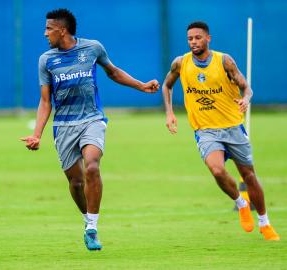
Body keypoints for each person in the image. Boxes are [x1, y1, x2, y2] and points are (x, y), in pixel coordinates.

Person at [21, 8, 160, 250]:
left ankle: (92, 228)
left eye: (48, 29)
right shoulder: (46, 60)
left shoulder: (92, 48)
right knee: (76, 183)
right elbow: (45, 102)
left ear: (62, 30)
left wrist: (141, 86)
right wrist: (36, 134)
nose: (45, 34)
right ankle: (87, 219)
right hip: (63, 126)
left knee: (92, 167)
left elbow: (113, 72)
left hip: (92, 119)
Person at [162, 21, 279, 240]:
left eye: (198, 37)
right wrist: (169, 113)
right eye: (190, 38)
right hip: (206, 130)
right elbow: (167, 85)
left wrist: (245, 99)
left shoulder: (224, 61)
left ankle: (265, 222)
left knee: (249, 176)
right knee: (216, 169)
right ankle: (241, 203)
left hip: (233, 127)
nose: (193, 42)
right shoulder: (180, 63)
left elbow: (246, 87)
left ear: (208, 38)